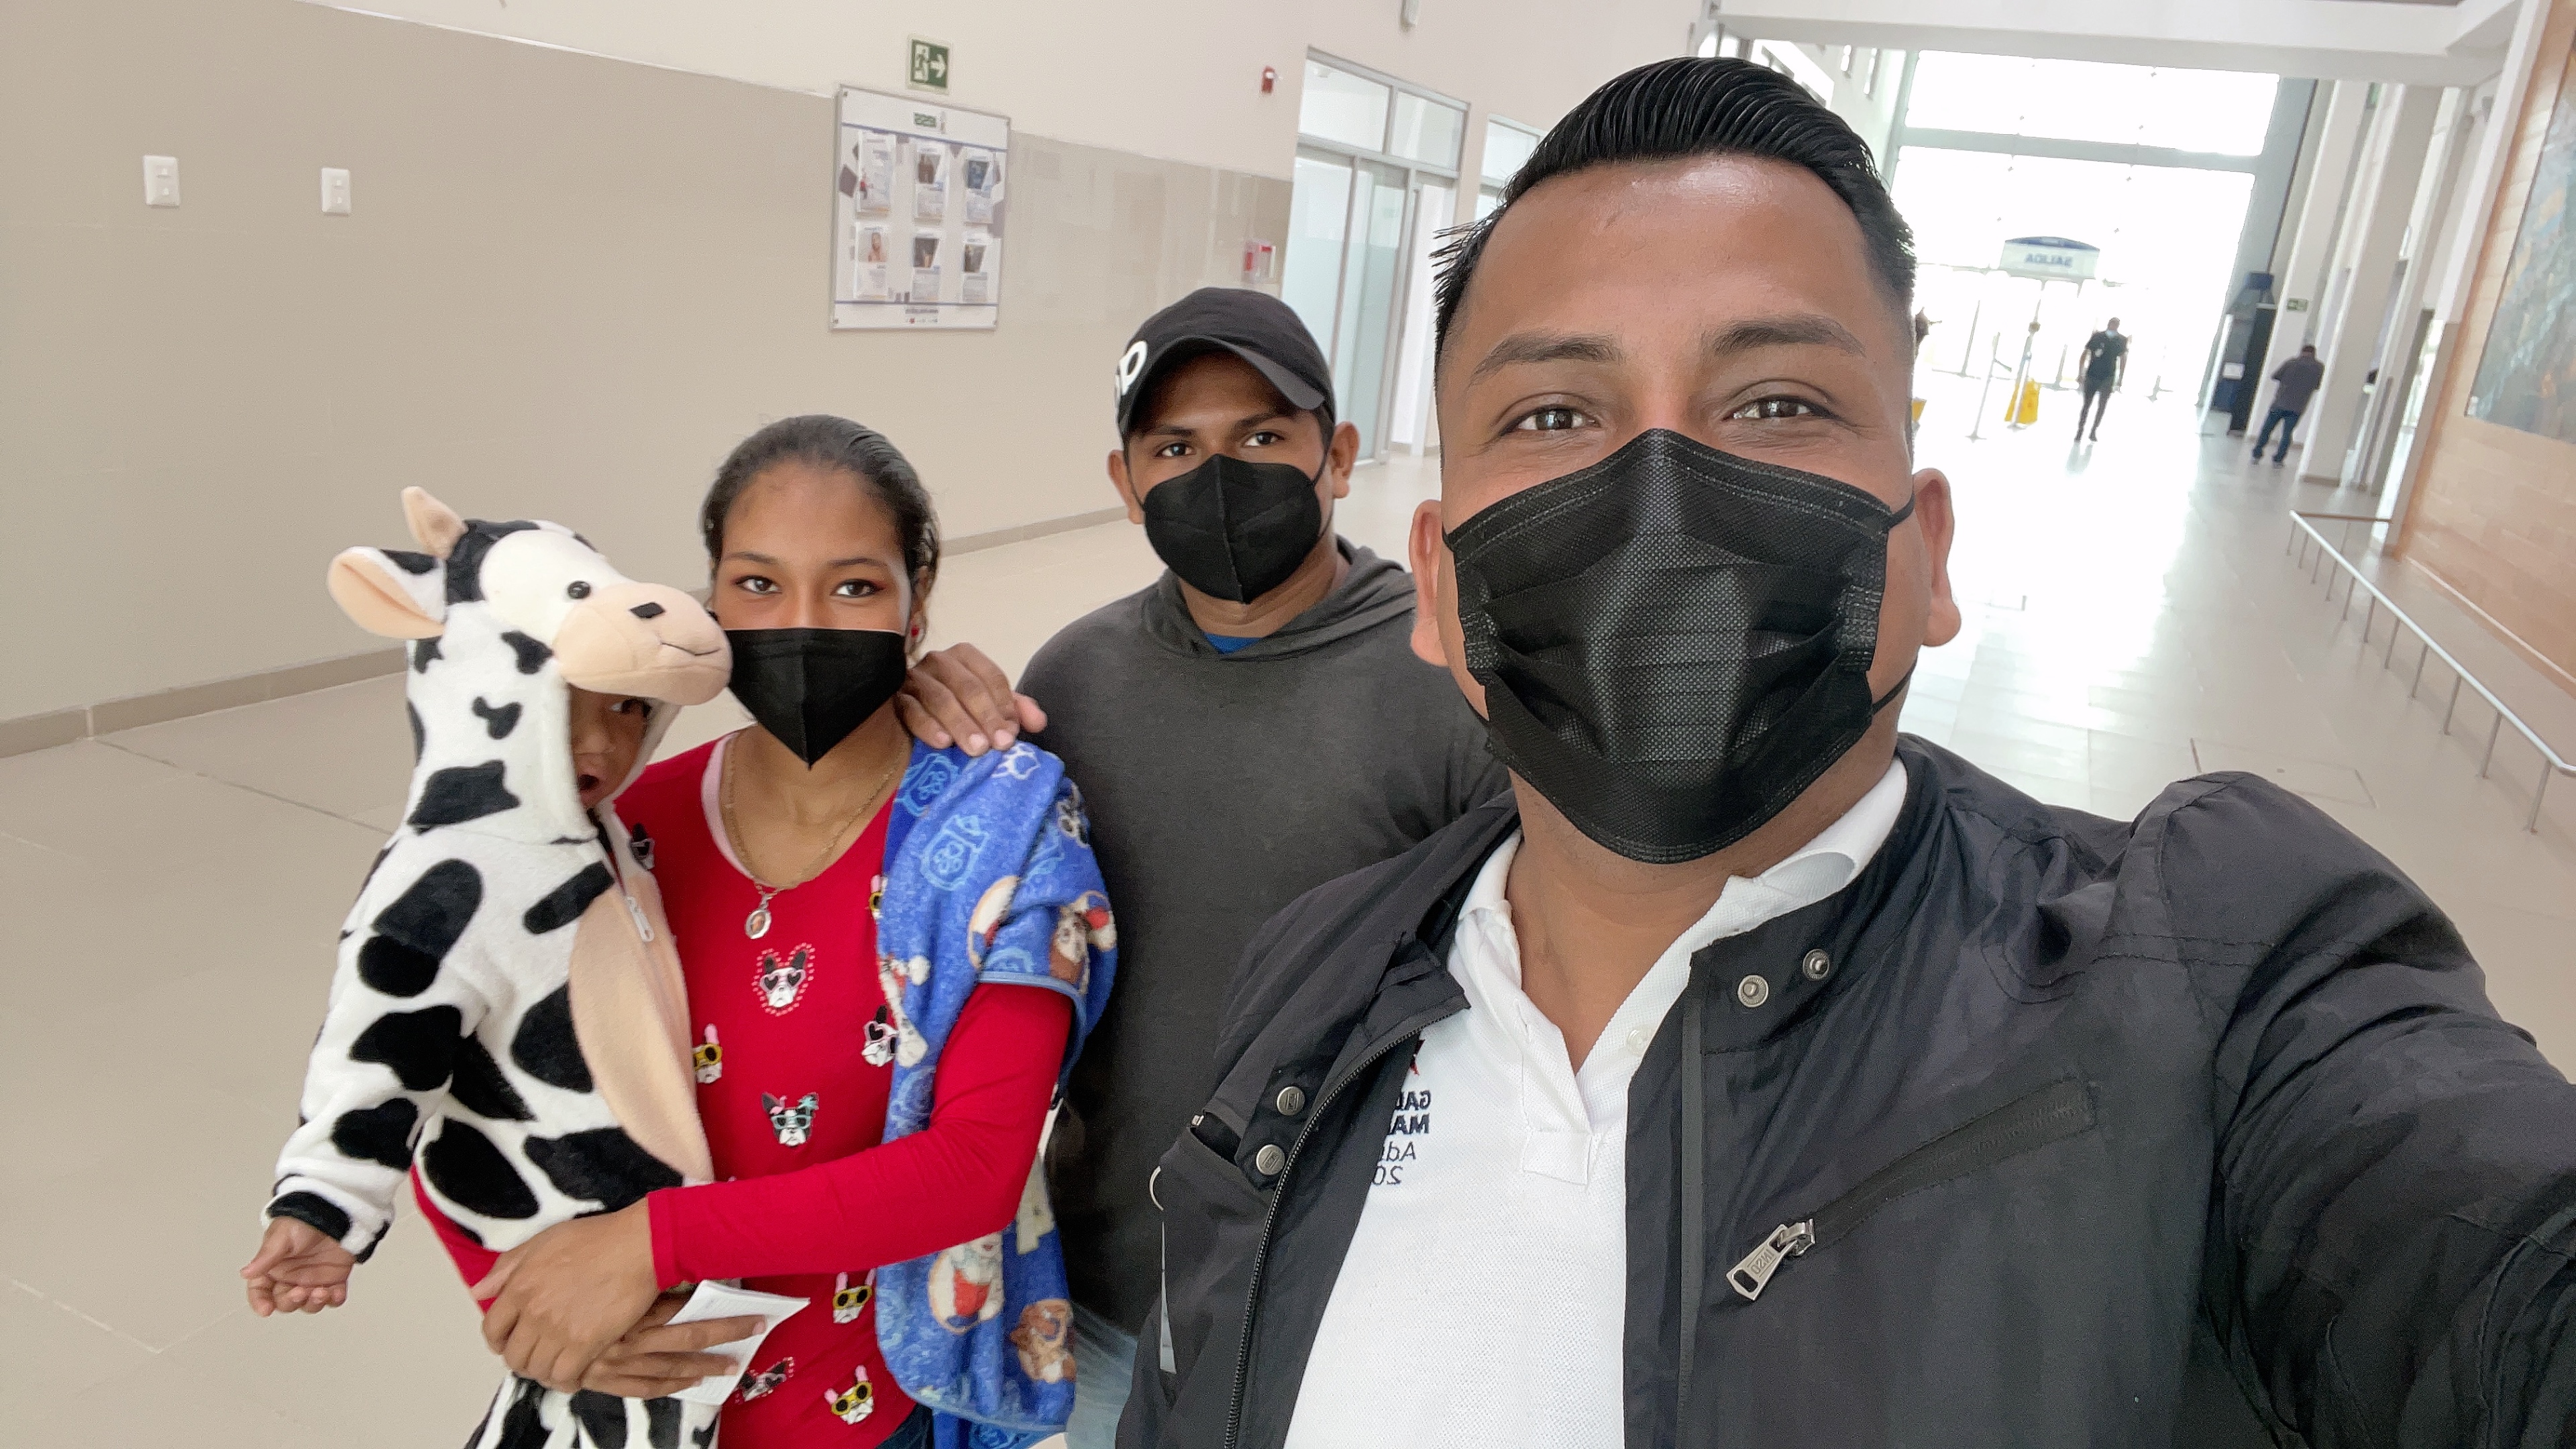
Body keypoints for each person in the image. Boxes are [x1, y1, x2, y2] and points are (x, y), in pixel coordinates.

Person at [1126, 58, 2576, 1449]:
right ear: (1441, 586)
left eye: (1778, 404)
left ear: (1924, 556)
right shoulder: (1317, 982)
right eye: (1554, 415)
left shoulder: (2201, 988)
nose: (1663, 497)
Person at [894, 288, 1507, 1446]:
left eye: (1262, 436)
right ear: (1125, 483)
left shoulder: (1445, 682)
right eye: (1174, 448)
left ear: (1339, 455)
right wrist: (908, 711)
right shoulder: (1074, 683)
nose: (1217, 476)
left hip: (1343, 1306)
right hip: (1109, 1291)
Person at [456, 417, 1120, 1449]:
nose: (802, 623)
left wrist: (647, 1246)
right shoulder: (628, 831)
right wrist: (525, 1294)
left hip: (868, 1407)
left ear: (916, 606)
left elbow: (976, 1164)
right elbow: (455, 1060)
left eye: (853, 586)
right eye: (759, 584)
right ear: (712, 600)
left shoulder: (1004, 830)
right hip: (634, 1407)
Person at [242, 489, 751, 1448]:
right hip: (563, 1236)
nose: (604, 743)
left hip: (649, 1225)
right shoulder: (445, 874)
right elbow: (375, 1045)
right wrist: (325, 1203)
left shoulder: (596, 833)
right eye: (563, 701)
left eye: (628, 709)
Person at [2255, 343, 2326, 466]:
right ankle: (2278, 459)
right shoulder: (2319, 368)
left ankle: (2257, 453)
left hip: (2279, 403)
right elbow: (2317, 386)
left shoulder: (2291, 363)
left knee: (2267, 429)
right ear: (2314, 353)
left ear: (2302, 352)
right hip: (2298, 407)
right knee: (2287, 434)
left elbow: (2275, 376)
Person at [2076, 315, 2127, 441]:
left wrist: (2120, 378)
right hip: (2092, 374)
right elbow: (2085, 353)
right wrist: (2081, 373)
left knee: (2102, 405)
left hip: (2108, 376)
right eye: (2112, 324)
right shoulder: (2098, 336)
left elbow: (2123, 359)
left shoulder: (2121, 340)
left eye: (2115, 325)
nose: (2113, 326)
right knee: (2087, 404)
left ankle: (2094, 430)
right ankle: (2080, 430)